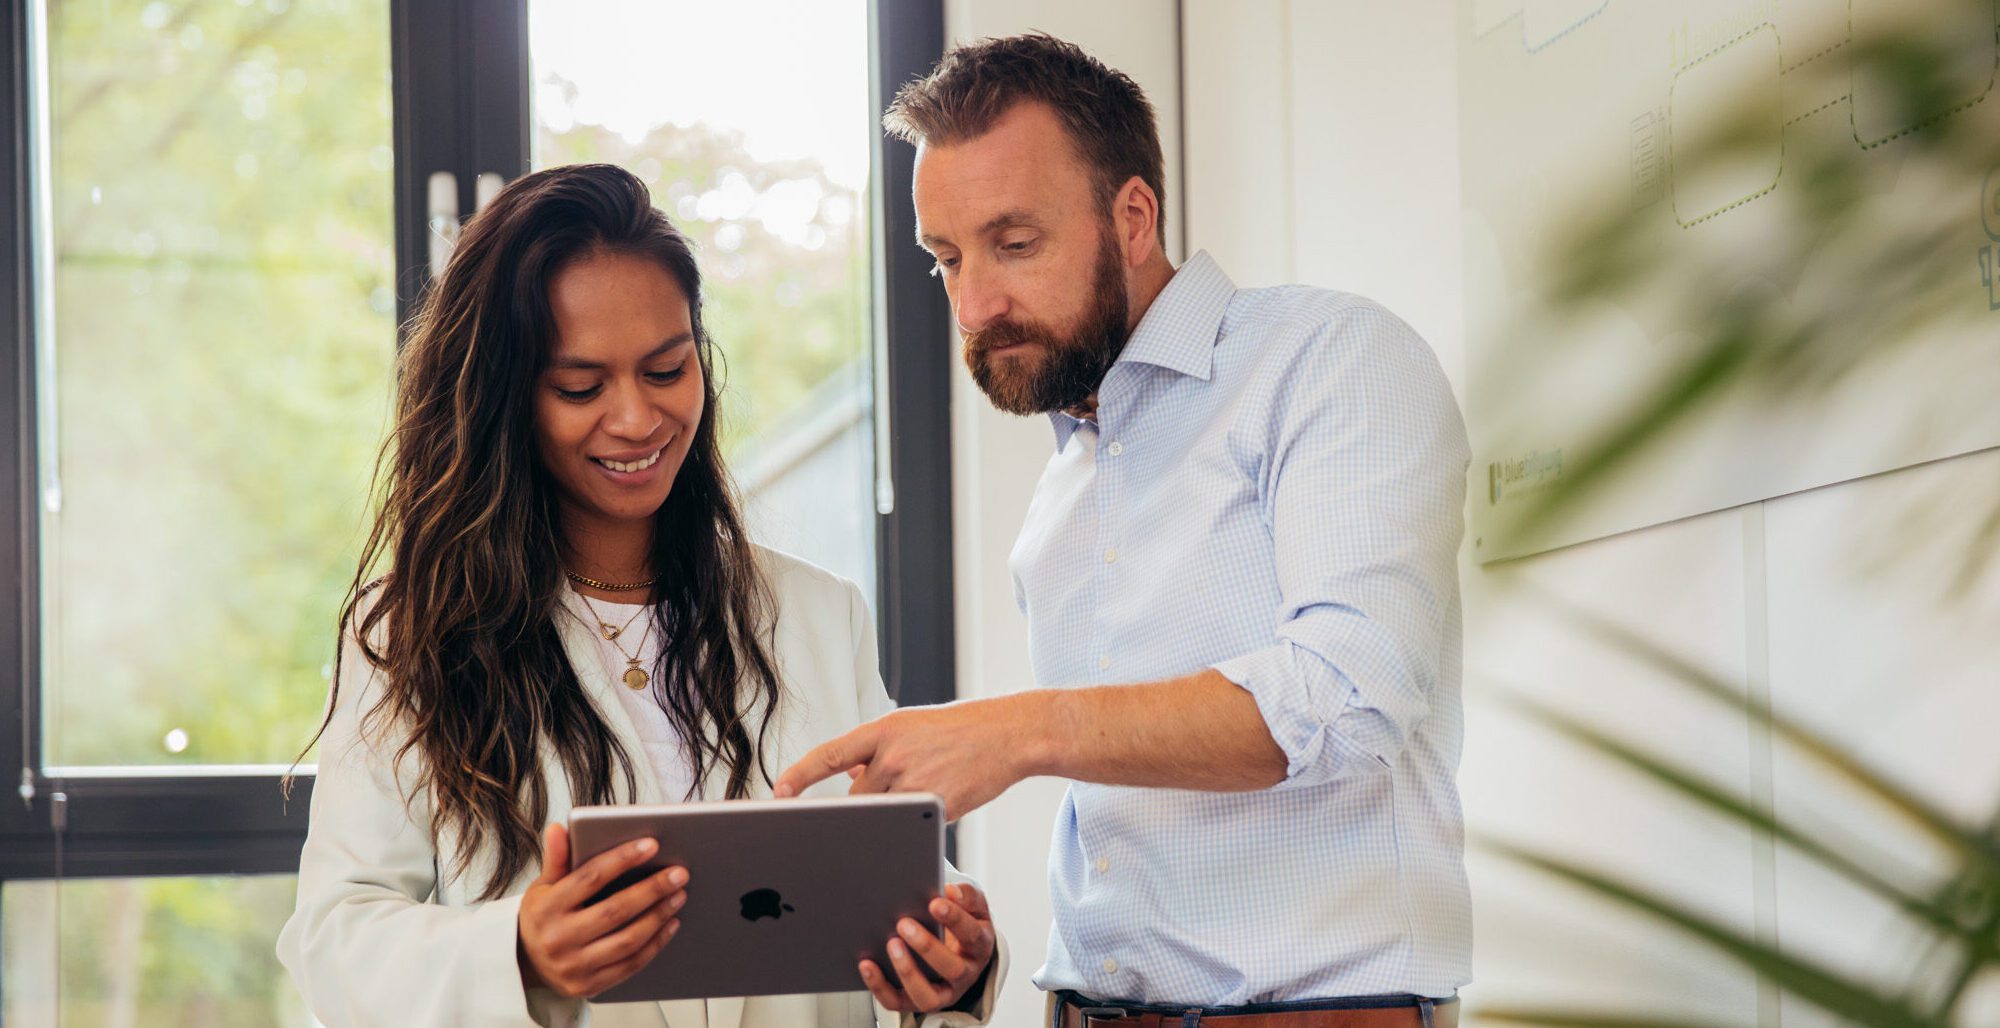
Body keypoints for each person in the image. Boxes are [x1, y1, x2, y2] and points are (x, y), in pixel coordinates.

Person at [775, 34, 1471, 1028]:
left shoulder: (1329, 360)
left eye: (1013, 243)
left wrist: (1014, 731)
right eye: (946, 259)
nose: (973, 303)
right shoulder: (1060, 492)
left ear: (1132, 214)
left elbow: (1346, 694)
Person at [279, 163, 1004, 1028]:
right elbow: (333, 942)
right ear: (505, 401)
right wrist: (521, 950)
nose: (635, 420)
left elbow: (865, 870)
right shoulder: (412, 635)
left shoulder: (816, 613)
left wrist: (953, 956)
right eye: (580, 388)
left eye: (667, 370)